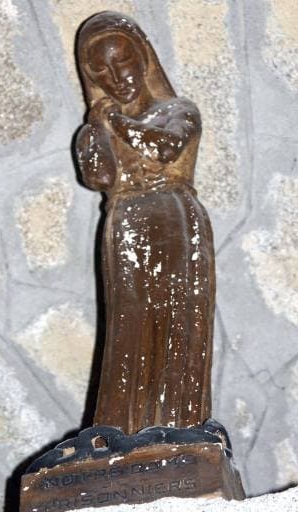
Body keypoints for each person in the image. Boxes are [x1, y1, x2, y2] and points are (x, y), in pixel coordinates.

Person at [76, 11, 215, 434]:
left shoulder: (178, 110)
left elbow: (166, 149)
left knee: (177, 320)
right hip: (125, 223)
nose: (115, 77)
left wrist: (115, 121)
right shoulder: (96, 126)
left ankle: (177, 426)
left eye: (123, 61)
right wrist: (94, 132)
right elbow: (99, 177)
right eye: (101, 70)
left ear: (142, 59)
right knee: (129, 323)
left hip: (174, 218)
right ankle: (122, 431)